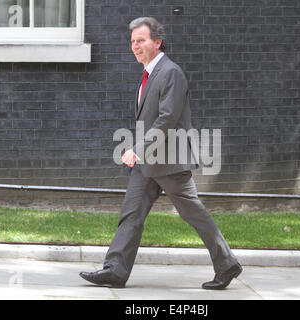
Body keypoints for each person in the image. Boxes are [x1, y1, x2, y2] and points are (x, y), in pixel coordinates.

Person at [80, 17, 242, 290]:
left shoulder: (170, 73)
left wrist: (137, 149)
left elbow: (167, 119)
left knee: (193, 213)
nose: (135, 46)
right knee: (131, 214)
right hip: (148, 164)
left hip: (170, 162)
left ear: (157, 41)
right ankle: (115, 270)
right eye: (132, 41)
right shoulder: (149, 74)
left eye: (140, 40)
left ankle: (227, 265)